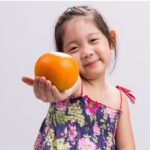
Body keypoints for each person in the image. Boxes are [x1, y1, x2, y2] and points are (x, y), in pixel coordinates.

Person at [22, 5, 136, 150]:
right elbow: (67, 89)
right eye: (74, 48)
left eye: (93, 40)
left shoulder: (119, 98)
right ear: (63, 56)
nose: (87, 52)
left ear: (111, 39)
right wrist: (53, 92)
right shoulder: (73, 83)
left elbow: (128, 147)